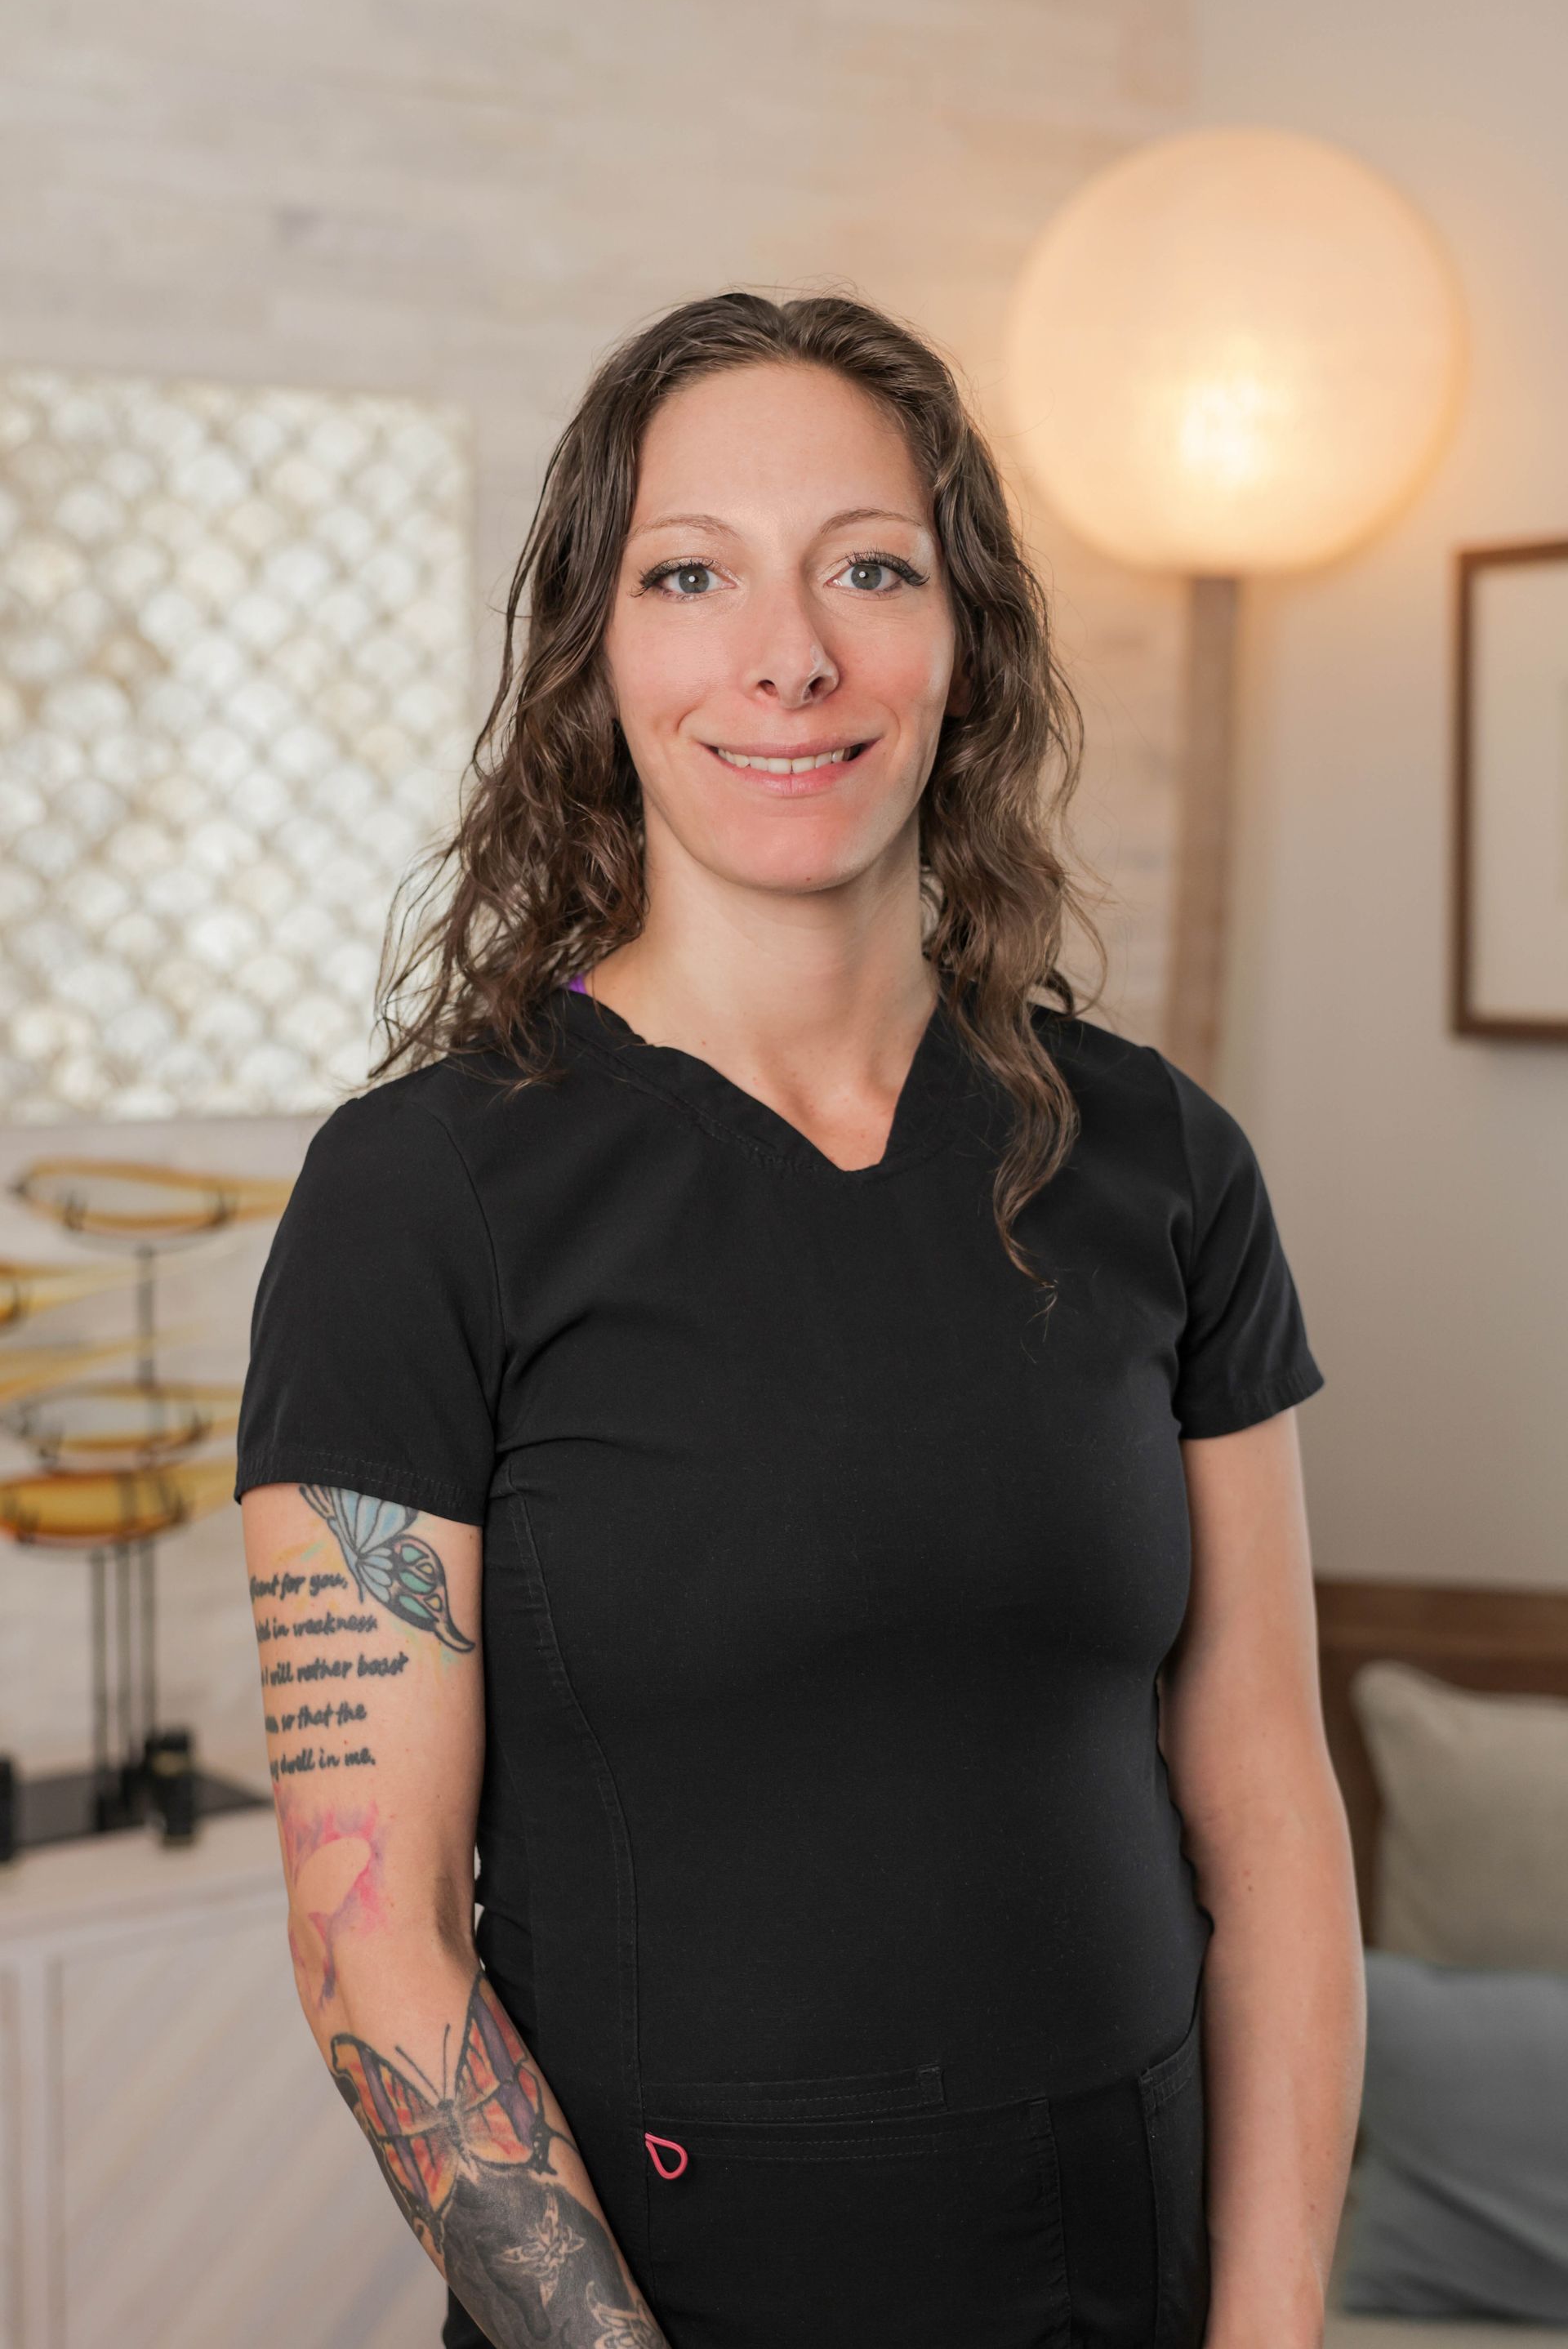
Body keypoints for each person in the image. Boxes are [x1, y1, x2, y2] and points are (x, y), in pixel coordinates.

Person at [234, 289, 1365, 2349]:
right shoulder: (420, 1200)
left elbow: (1272, 1805)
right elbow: (367, 1934)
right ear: (598, 657)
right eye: (692, 574)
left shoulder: (1163, 1159)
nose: (792, 656)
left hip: (1128, 2270)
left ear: (969, 645)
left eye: (870, 568)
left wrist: (1272, 2324)